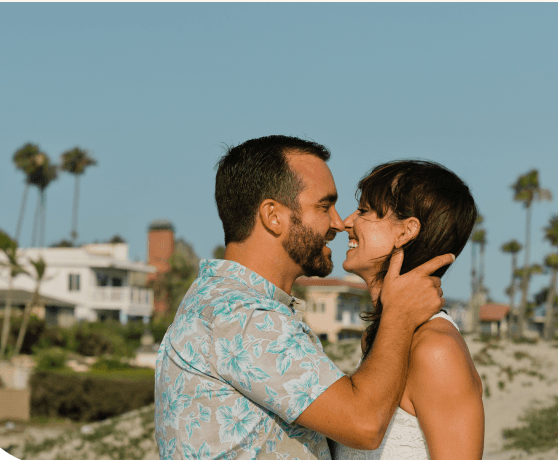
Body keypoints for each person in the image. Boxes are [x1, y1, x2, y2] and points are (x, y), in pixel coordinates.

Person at [155, 135, 454, 460]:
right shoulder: (242, 315)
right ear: (273, 216)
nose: (339, 224)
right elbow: (364, 424)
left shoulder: (225, 305)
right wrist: (399, 314)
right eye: (324, 206)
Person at [330, 160, 483, 460]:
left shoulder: (435, 350)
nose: (347, 222)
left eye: (363, 211)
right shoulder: (381, 338)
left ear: (405, 232)